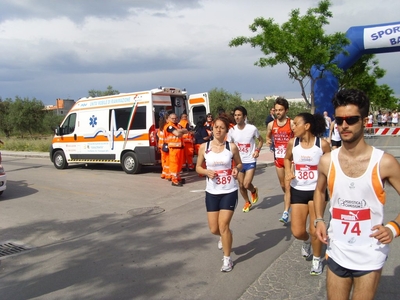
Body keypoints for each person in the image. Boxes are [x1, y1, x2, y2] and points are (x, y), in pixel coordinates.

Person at [314, 89, 400, 300]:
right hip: (337, 250)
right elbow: (319, 191)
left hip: (370, 253)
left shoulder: (384, 162)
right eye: (340, 119)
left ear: (364, 120)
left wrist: (394, 228)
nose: (344, 125)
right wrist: (318, 218)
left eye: (351, 120)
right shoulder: (327, 161)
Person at [284, 112, 331, 276]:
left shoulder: (322, 145)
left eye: (296, 124)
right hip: (298, 190)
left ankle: (317, 259)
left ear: (307, 126)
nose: (293, 126)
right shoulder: (293, 143)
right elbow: (286, 159)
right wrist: (288, 171)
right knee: (297, 231)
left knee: (314, 229)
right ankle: (306, 242)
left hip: (317, 191)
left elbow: (330, 167)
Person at [196, 113, 243, 272]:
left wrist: (236, 169)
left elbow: (240, 164)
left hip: (229, 190)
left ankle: (227, 259)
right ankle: (226, 235)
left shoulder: (231, 147)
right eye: (216, 127)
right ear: (212, 128)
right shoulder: (205, 147)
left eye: (222, 128)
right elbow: (198, 167)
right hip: (212, 192)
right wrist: (206, 172)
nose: (218, 130)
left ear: (226, 131)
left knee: (223, 225)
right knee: (214, 229)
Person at [227, 106, 263, 213]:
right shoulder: (232, 130)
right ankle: (247, 201)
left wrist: (257, 150)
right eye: (235, 115)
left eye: (239, 115)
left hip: (250, 160)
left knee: (247, 184)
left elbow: (261, 140)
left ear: (244, 117)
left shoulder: (252, 128)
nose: (237, 117)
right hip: (239, 162)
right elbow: (229, 145)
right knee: (241, 185)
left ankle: (253, 190)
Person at [266, 97, 294, 223]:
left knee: (288, 186)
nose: (278, 112)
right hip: (278, 159)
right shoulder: (271, 125)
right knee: (283, 186)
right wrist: (268, 141)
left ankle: (285, 212)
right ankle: (290, 199)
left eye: (281, 110)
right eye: (276, 110)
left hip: (290, 160)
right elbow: (268, 136)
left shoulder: (292, 123)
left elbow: (300, 137)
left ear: (286, 110)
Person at [165, 113, 188, 187]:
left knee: (179, 165)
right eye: (173, 118)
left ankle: (178, 178)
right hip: (174, 148)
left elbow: (186, 130)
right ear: (169, 119)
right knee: (174, 165)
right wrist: (181, 131)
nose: (174, 120)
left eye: (175, 118)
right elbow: (178, 134)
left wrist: (180, 131)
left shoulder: (177, 125)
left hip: (180, 147)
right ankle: (174, 180)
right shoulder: (169, 126)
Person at [157, 112, 170, 180]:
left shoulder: (160, 128)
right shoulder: (167, 127)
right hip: (167, 146)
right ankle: (168, 175)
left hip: (162, 146)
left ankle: (164, 173)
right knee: (168, 161)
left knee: (164, 161)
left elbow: (159, 136)